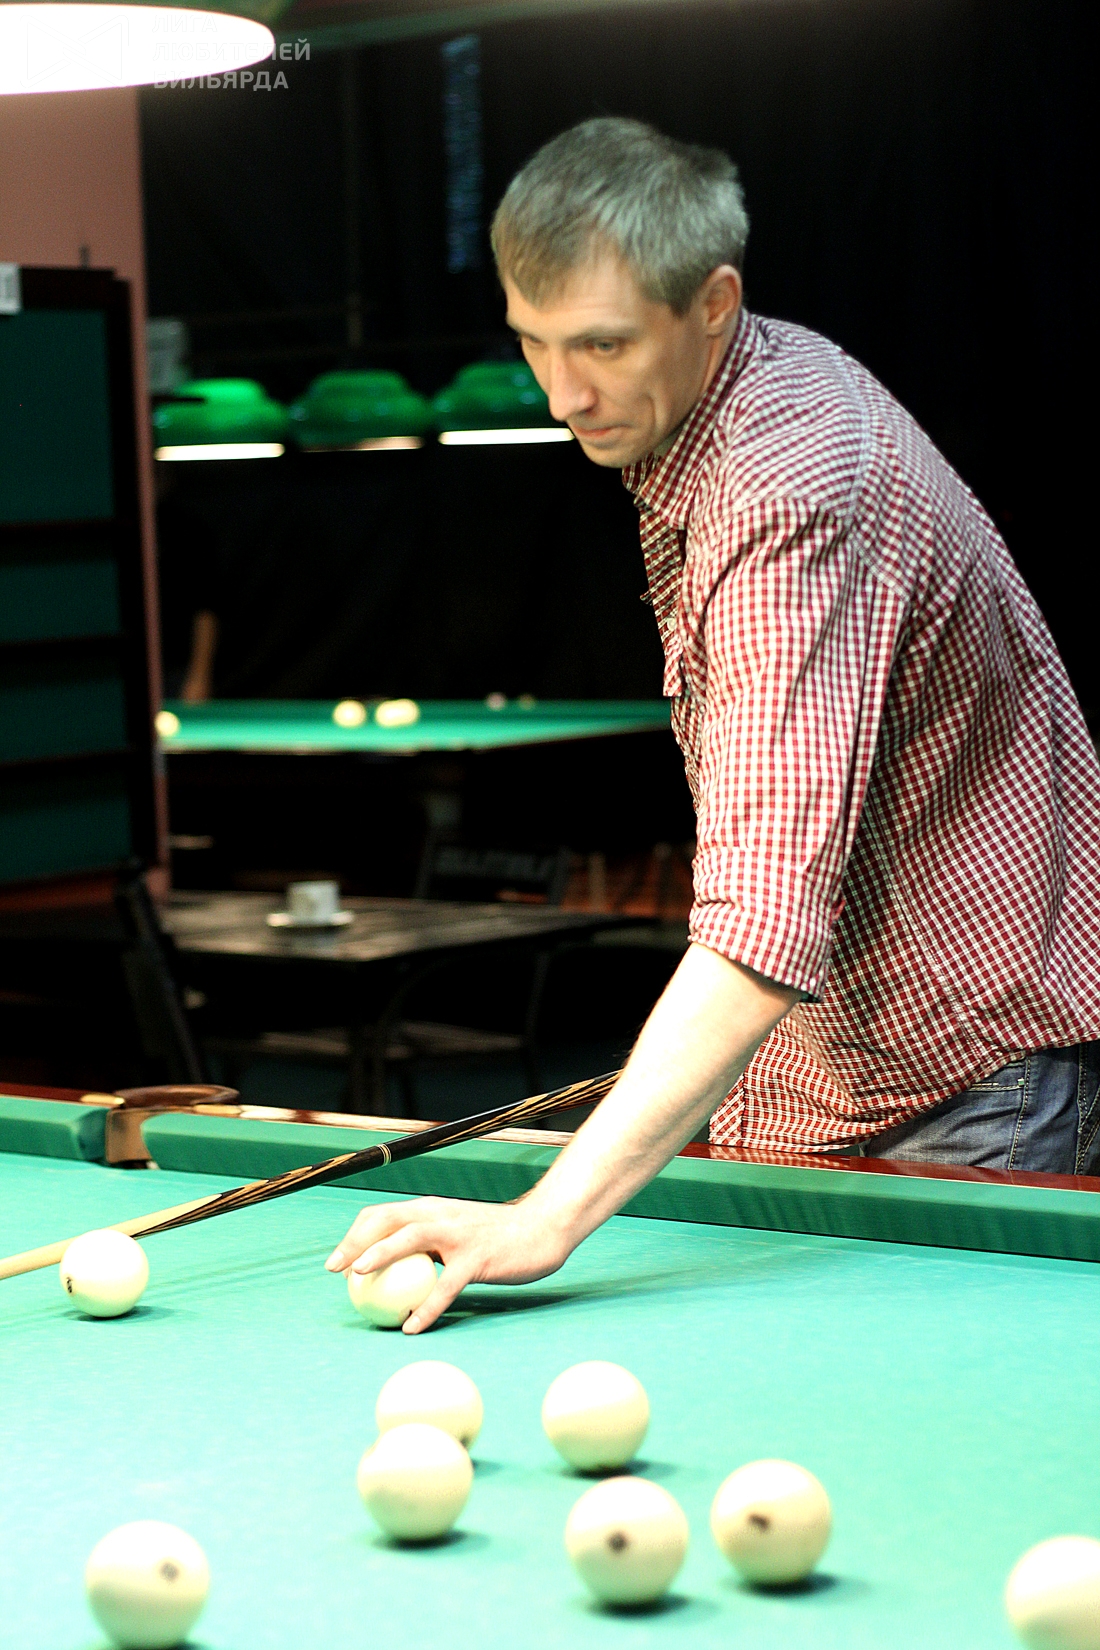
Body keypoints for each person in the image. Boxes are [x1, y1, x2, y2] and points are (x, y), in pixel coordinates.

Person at [326, 118, 1100, 1330]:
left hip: (957, 1089)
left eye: (601, 344)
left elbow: (762, 920)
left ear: (713, 304)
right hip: (824, 1067)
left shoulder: (786, 492)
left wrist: (543, 1216)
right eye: (532, 341)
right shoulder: (735, 390)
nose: (563, 393)